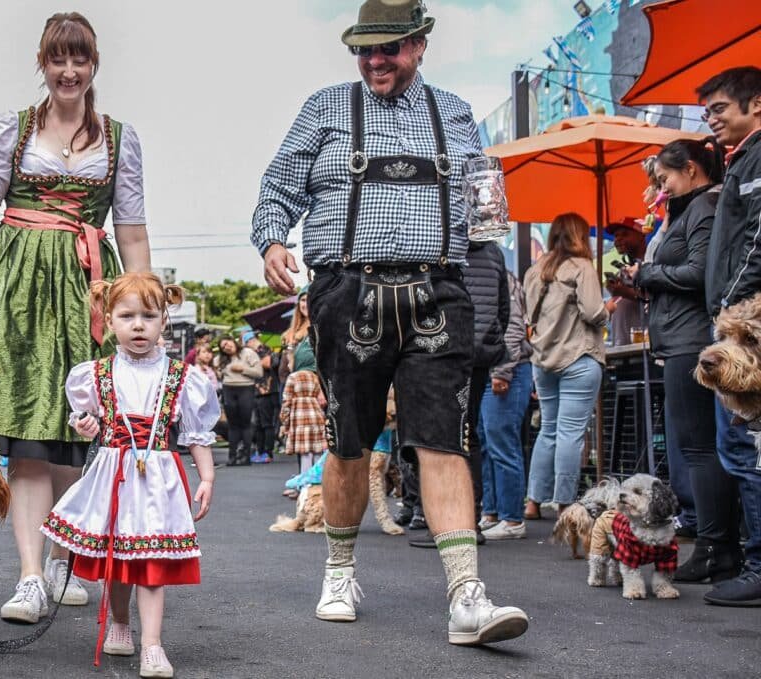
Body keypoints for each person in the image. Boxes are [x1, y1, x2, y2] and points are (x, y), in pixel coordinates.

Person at [251, 0, 528, 644]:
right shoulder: (326, 108)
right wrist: (271, 240)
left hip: (439, 288)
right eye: (363, 50)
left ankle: (466, 595)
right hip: (348, 289)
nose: (375, 60)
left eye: (390, 48)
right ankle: (340, 569)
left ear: (420, 45)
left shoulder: (455, 113)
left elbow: (483, 200)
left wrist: (487, 212)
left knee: (442, 438)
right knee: (351, 439)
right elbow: (279, 187)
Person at [0, 12, 151, 622]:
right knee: (29, 438)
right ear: (43, 64)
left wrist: (138, 310)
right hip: (14, 290)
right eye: (57, 59)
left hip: (87, 291)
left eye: (79, 59)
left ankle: (61, 561)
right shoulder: (14, 130)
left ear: (94, 65)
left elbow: (132, 235)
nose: (68, 70)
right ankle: (31, 576)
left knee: (74, 436)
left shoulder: (118, 139)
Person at [41, 272, 219, 677]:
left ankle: (153, 645)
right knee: (117, 557)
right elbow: (86, 420)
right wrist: (86, 426)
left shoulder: (183, 377)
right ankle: (120, 624)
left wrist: (206, 478)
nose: (138, 325)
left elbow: (196, 434)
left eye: (148, 316)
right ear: (109, 320)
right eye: (127, 316)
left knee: (150, 559)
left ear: (163, 321)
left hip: (159, 476)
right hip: (114, 472)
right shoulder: (95, 374)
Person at [626, 137, 741, 584]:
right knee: (695, 446)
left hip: (691, 339)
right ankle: (716, 542)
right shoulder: (693, 208)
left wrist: (649, 274)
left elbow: (698, 273)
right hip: (680, 338)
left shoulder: (704, 208)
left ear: (691, 169)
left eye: (666, 178)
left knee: (698, 446)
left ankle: (715, 545)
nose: (662, 187)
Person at [698, 66, 761, 606]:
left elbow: (759, 240)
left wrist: (728, 312)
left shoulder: (759, 157)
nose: (711, 119)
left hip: (745, 324)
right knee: (739, 448)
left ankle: (759, 565)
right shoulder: (742, 160)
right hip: (737, 321)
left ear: (756, 103)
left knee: (747, 449)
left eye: (719, 108)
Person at [410, 239, 507, 549]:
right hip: (479, 353)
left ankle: (443, 522)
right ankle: (471, 521)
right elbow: (503, 308)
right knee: (470, 434)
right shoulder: (494, 252)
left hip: (442, 347)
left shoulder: (440, 241)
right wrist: (490, 340)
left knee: (440, 434)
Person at [523, 214, 610, 520]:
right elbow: (592, 311)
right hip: (579, 357)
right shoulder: (582, 268)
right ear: (580, 236)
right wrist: (607, 310)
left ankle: (533, 502)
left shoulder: (536, 270)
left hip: (543, 361)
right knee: (571, 433)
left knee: (548, 430)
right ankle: (565, 503)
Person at [479, 271, 534, 540]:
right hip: (487, 368)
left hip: (505, 369)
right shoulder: (493, 272)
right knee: (488, 444)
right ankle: (492, 513)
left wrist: (502, 370)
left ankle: (512, 519)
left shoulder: (501, 276)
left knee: (501, 444)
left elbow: (513, 326)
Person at [214, 335, 263, 467]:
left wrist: (242, 369)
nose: (227, 347)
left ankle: (246, 456)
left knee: (246, 423)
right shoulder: (219, 359)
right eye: (223, 346)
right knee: (233, 424)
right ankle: (232, 456)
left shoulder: (248, 353)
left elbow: (259, 373)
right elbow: (218, 372)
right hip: (229, 389)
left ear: (233, 341)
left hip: (246, 387)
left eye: (228, 343)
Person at [603, 219, 648, 347]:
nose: (618, 240)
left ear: (641, 234)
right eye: (616, 236)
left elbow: (655, 299)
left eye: (624, 234)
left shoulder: (653, 263)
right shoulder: (623, 269)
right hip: (621, 347)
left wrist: (625, 292)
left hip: (644, 349)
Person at [244, 330, 279, 463]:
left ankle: (268, 452)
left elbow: (268, 363)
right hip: (257, 391)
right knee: (258, 424)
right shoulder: (253, 353)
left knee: (266, 423)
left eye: (247, 343)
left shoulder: (263, 349)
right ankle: (260, 451)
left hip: (267, 391)